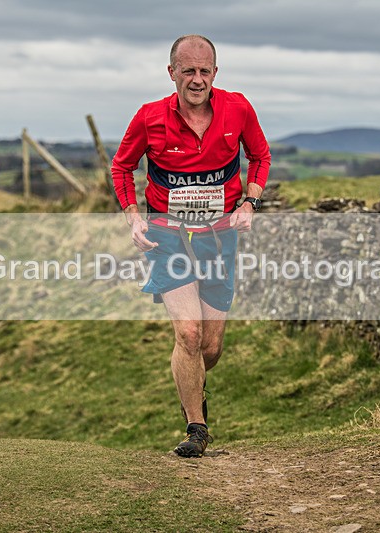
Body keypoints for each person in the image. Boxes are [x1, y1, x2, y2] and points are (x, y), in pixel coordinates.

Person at [111, 34, 271, 457]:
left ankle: (195, 383)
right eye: (188, 71)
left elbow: (261, 155)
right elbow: (122, 167)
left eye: (204, 71)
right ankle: (195, 428)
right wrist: (133, 218)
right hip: (168, 235)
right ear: (172, 73)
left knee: (209, 347)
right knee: (188, 333)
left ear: (215, 73)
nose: (196, 79)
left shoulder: (238, 108)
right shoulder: (148, 118)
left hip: (219, 236)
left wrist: (250, 203)